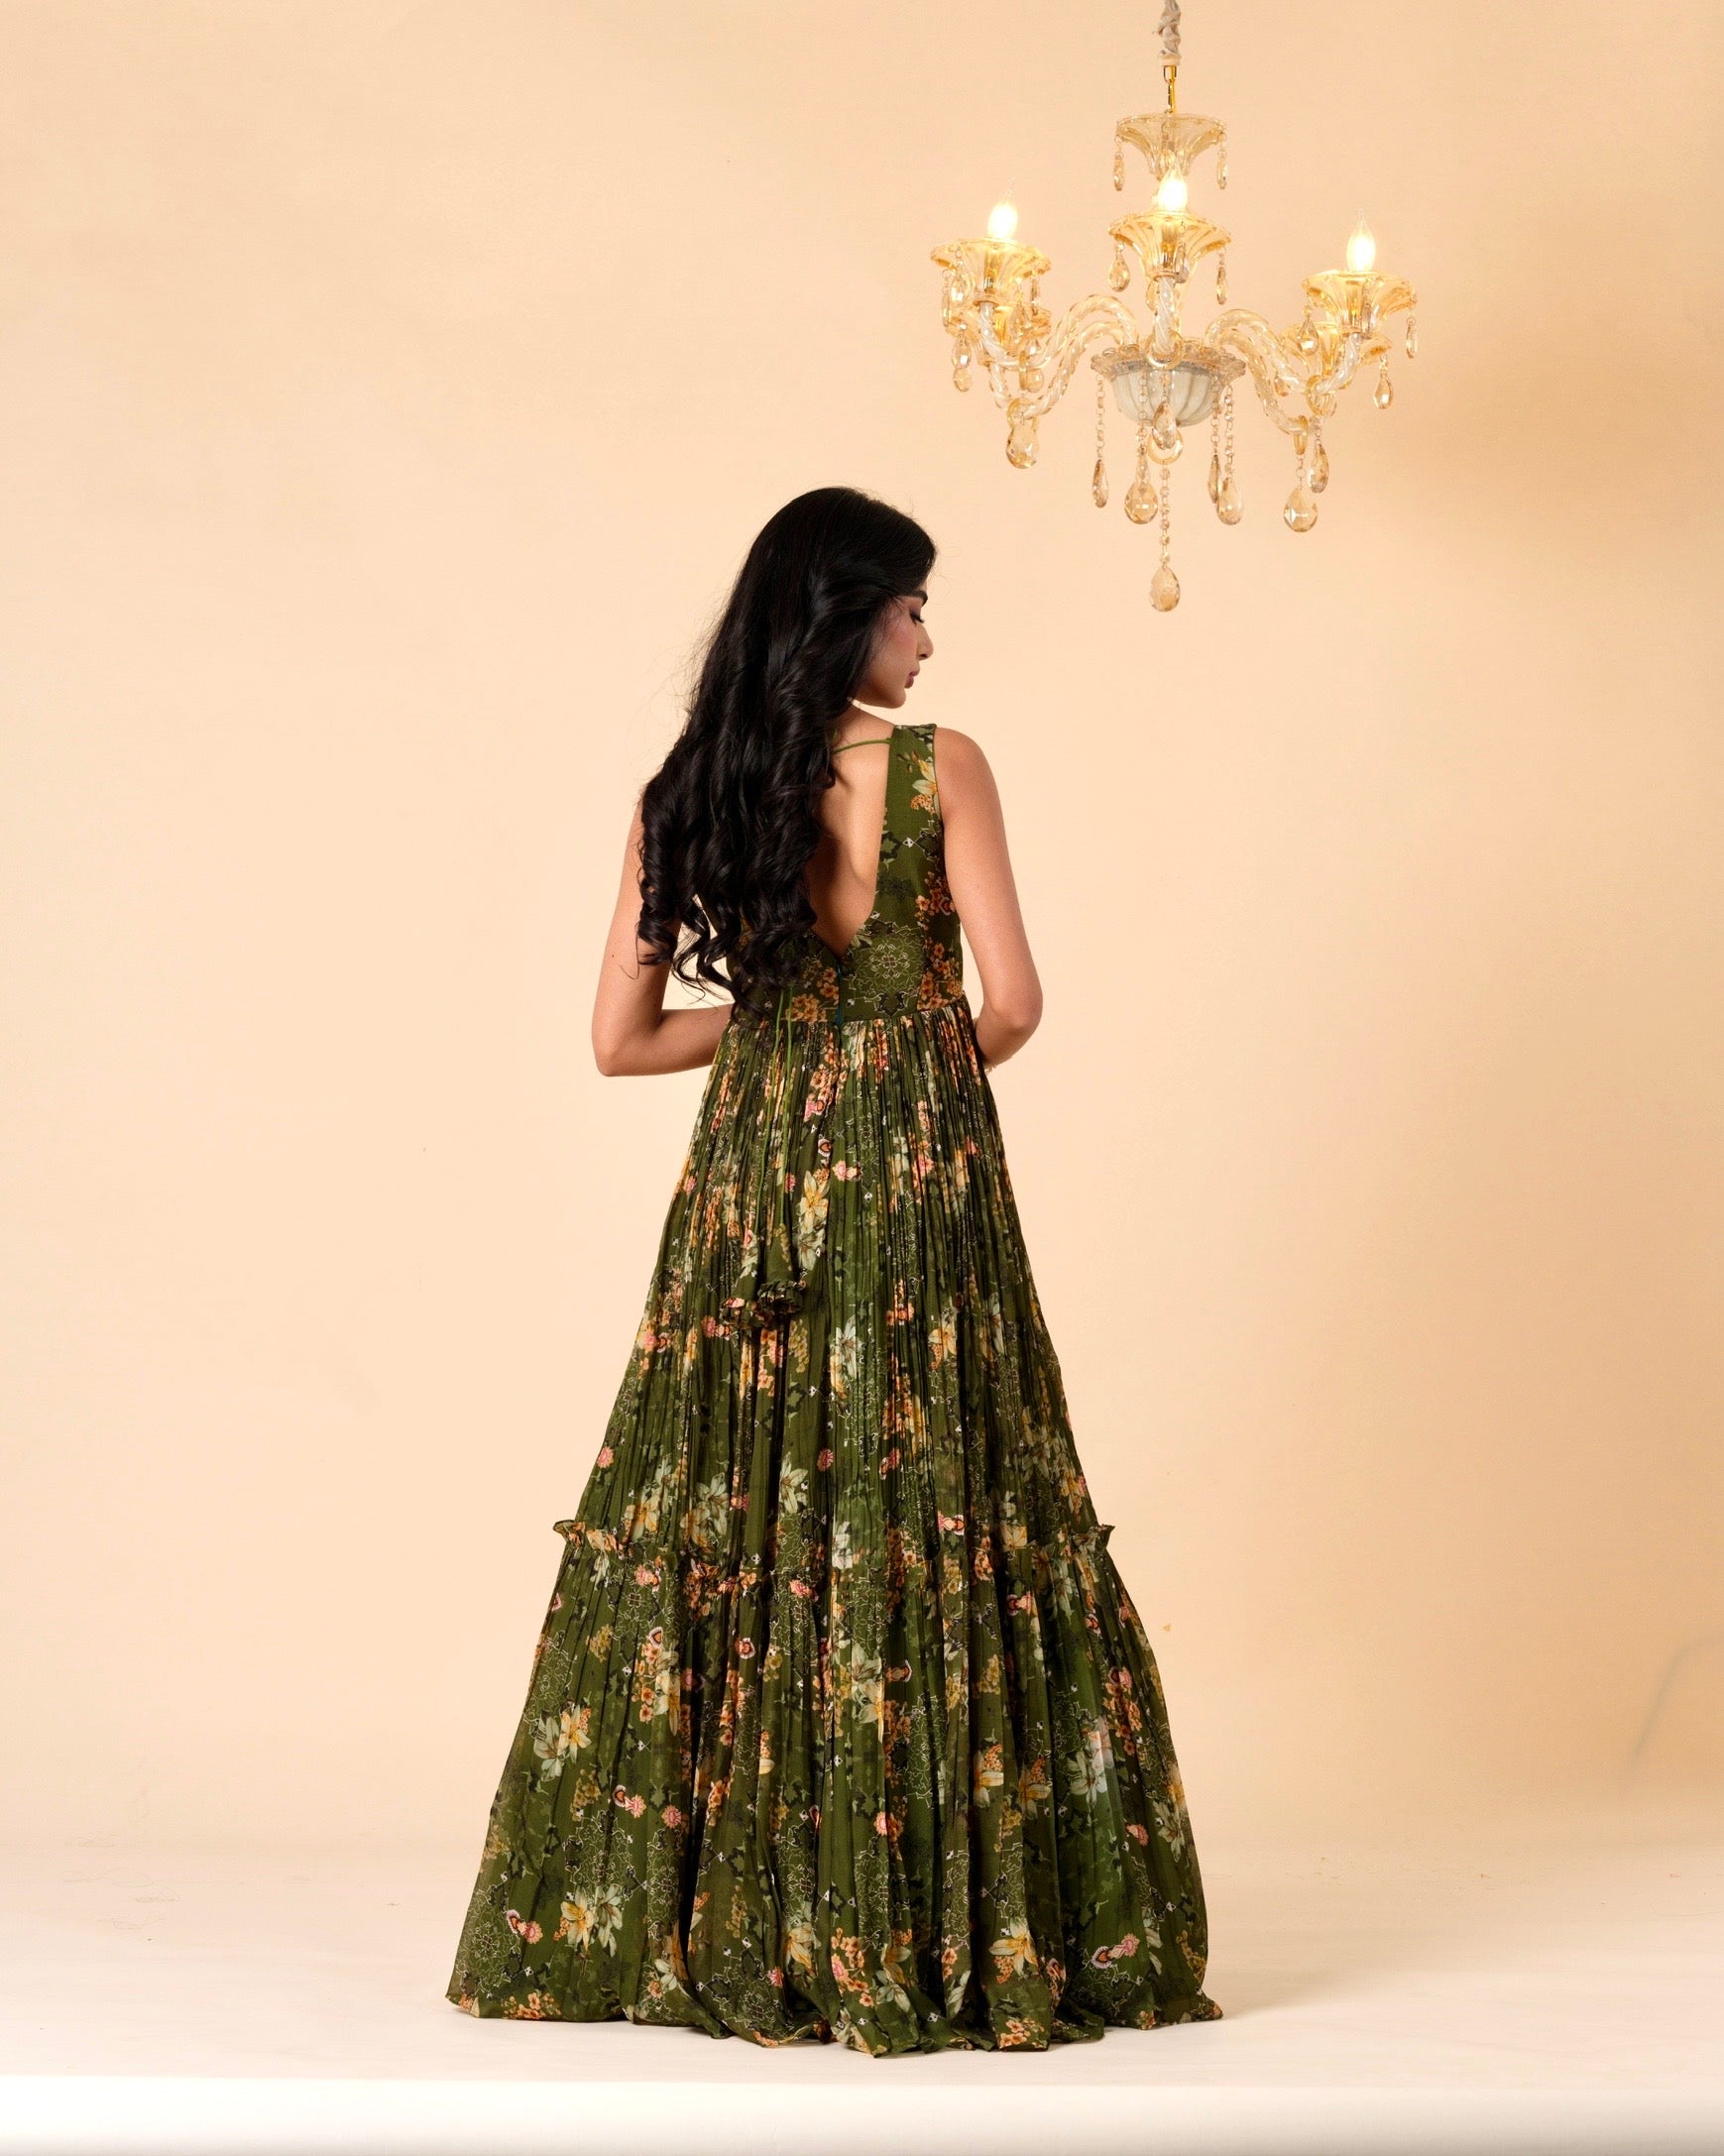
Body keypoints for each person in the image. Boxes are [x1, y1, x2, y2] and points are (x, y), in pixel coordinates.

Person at [445, 485, 1221, 2053]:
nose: (928, 637)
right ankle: (945, 1921)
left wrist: (790, 1033)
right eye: (911, 606)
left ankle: (711, 1917)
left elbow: (622, 1042)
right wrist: (896, 1061)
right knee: (933, 1493)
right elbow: (1011, 1006)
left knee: (739, 1497)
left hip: (754, 1184)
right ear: (847, 612)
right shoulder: (946, 773)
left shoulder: (691, 789)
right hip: (919, 1180)